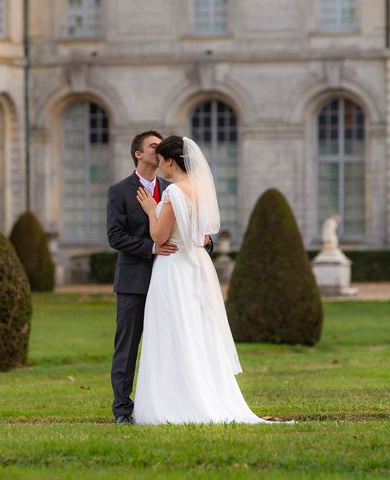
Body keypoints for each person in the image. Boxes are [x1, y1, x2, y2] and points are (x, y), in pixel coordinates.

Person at [132, 135, 269, 424]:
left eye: (162, 162)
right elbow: (203, 234)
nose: (161, 168)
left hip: (174, 266)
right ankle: (206, 390)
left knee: (173, 329)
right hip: (198, 263)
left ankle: (177, 399)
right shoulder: (200, 189)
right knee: (197, 329)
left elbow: (159, 235)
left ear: (170, 161)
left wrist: (149, 210)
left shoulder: (173, 193)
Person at [106, 131, 213, 424]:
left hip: (173, 281)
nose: (159, 149)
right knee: (127, 348)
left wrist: (205, 241)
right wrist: (152, 247)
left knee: (172, 344)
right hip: (135, 282)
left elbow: (197, 229)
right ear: (139, 154)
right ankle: (122, 410)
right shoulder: (119, 191)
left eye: (161, 147)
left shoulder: (174, 187)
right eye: (153, 146)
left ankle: (171, 403)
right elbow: (115, 236)